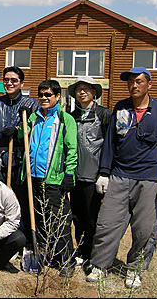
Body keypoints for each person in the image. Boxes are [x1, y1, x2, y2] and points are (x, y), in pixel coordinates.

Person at [86, 67, 157, 289]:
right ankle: (99, 265)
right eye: (130, 82)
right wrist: (104, 173)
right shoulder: (121, 107)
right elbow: (111, 143)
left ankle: (135, 269)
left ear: (149, 84)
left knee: (144, 229)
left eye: (139, 81)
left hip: (148, 178)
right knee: (107, 224)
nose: (133, 85)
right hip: (119, 176)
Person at [17, 79, 78, 277]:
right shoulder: (33, 117)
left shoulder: (64, 119)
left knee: (58, 220)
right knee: (39, 219)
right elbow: (22, 137)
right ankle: (48, 255)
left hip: (53, 179)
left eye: (48, 95)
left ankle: (67, 260)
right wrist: (22, 120)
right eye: (41, 95)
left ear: (57, 96)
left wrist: (69, 174)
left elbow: (71, 150)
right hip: (32, 176)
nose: (43, 98)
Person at [67, 76, 111, 268]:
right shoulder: (72, 116)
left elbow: (111, 146)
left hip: (95, 177)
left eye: (86, 89)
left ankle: (95, 255)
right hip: (76, 176)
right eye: (79, 89)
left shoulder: (104, 115)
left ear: (94, 92)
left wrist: (106, 172)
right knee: (77, 217)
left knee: (94, 218)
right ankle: (82, 251)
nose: (82, 92)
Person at [0, 66, 39, 188]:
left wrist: (17, 129)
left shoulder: (31, 104)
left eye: (14, 80)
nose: (9, 83)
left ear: (21, 83)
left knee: (20, 200)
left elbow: (35, 131)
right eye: (6, 80)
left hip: (21, 161)